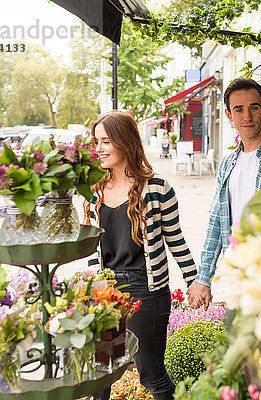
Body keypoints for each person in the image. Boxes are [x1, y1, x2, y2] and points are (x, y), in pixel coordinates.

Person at [85, 111, 197, 400]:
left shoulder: (158, 188)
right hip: (105, 292)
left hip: (145, 293)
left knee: (151, 374)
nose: (98, 148)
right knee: (101, 375)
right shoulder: (94, 191)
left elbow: (176, 240)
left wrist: (194, 280)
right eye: (96, 141)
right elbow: (89, 248)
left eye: (106, 141)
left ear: (124, 142)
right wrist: (93, 287)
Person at [187, 78, 261, 310]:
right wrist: (203, 278)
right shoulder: (228, 163)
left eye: (254, 108)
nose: (247, 116)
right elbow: (216, 221)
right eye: (239, 109)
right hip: (235, 274)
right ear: (229, 115)